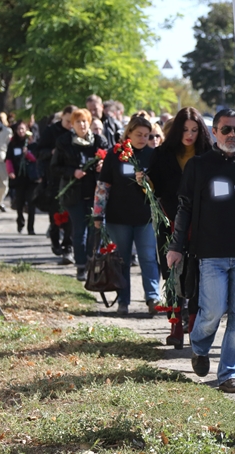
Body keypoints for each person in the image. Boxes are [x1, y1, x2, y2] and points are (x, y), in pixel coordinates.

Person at [165, 108, 235, 394]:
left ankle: (229, 375)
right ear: (214, 132)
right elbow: (184, 208)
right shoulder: (198, 166)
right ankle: (199, 346)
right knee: (210, 312)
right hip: (209, 254)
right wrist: (176, 247)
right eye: (227, 130)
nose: (233, 135)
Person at [148, 107, 213, 347]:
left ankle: (193, 325)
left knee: (197, 272)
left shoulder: (209, 154)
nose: (189, 135)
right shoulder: (163, 153)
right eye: (185, 129)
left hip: (201, 222)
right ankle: (175, 326)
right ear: (177, 130)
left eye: (195, 130)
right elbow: (152, 187)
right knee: (172, 273)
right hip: (168, 219)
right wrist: (143, 181)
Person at [93, 114, 160, 315]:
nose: (142, 139)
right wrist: (98, 214)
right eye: (138, 134)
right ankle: (123, 300)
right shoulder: (115, 155)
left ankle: (153, 297)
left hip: (145, 216)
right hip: (118, 217)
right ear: (128, 132)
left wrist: (149, 182)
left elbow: (162, 186)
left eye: (147, 135)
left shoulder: (153, 155)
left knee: (148, 257)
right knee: (121, 259)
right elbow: (103, 186)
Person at [52, 109, 108, 281]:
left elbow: (110, 163)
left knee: (95, 230)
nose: (82, 125)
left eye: (85, 121)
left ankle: (94, 263)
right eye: (78, 122)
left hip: (95, 194)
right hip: (73, 194)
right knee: (79, 231)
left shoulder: (99, 141)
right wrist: (72, 172)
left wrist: (102, 165)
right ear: (72, 124)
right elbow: (54, 167)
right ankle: (81, 266)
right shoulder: (64, 142)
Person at [38, 105, 76, 260]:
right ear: (63, 117)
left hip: (72, 179)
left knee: (71, 216)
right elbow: (39, 152)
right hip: (54, 178)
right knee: (55, 214)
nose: (70, 125)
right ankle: (55, 241)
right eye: (68, 121)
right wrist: (52, 153)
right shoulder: (51, 131)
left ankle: (68, 247)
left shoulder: (76, 133)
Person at [5, 121, 40, 235]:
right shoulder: (13, 143)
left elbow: (36, 159)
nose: (21, 131)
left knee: (31, 203)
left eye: (23, 129)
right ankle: (20, 221)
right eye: (19, 129)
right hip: (19, 178)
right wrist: (10, 171)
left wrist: (27, 154)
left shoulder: (32, 143)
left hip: (31, 179)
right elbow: (8, 158)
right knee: (19, 203)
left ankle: (31, 227)